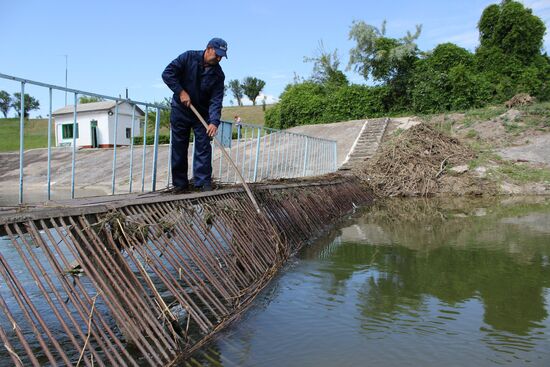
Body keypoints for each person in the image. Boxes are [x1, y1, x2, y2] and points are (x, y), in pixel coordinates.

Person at [162, 37, 227, 192]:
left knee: (204, 146)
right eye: (217, 54)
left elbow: (216, 100)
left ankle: (203, 183)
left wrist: (214, 122)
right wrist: (181, 92)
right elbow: (167, 74)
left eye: (221, 56)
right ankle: (180, 184)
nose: (218, 58)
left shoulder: (218, 75)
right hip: (181, 110)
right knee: (179, 147)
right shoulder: (188, 57)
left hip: (202, 114)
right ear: (209, 48)